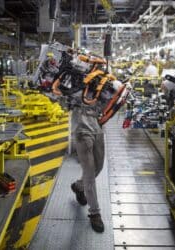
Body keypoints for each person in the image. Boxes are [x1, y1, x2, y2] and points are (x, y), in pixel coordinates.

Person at [69, 90, 105, 233]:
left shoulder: (101, 82)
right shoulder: (73, 82)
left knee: (98, 167)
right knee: (89, 173)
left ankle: (78, 186)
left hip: (96, 127)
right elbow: (58, 96)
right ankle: (95, 213)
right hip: (81, 130)